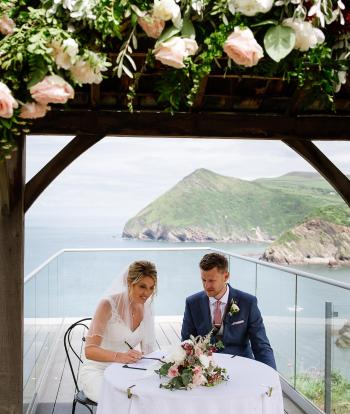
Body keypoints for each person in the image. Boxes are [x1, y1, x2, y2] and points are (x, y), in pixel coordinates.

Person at [79, 260, 158, 402]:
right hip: (97, 371)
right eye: (142, 286)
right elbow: (89, 350)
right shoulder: (107, 304)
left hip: (125, 370)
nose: (147, 293)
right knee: (121, 399)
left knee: (148, 396)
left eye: (151, 288)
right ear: (129, 282)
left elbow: (149, 351)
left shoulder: (146, 307)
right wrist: (119, 356)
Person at [181, 252, 276, 369]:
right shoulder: (192, 303)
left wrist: (271, 375)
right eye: (203, 280)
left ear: (226, 276)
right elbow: (187, 343)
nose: (206, 285)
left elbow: (261, 346)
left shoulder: (248, 302)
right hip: (205, 370)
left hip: (242, 367)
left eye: (211, 280)